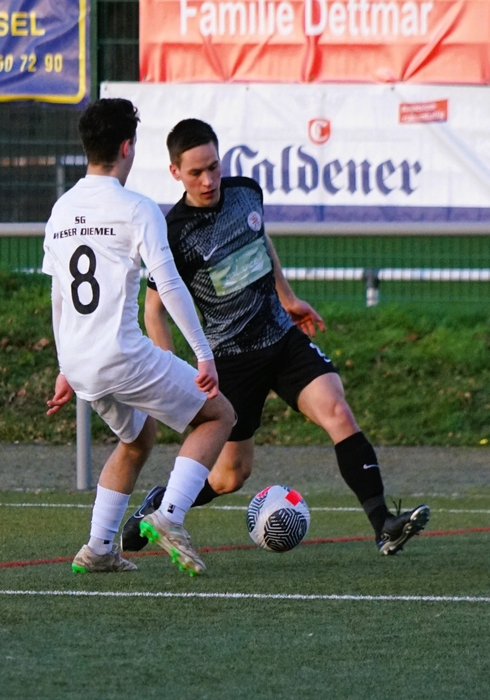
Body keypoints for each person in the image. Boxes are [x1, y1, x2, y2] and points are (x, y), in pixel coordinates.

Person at [122, 118, 429, 556]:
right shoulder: (175, 234)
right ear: (175, 172)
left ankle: (384, 524)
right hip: (231, 360)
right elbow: (153, 310)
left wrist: (287, 297)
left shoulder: (247, 192)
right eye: (196, 172)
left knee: (338, 411)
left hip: (282, 339)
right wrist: (173, 372)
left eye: (213, 166)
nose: (208, 180)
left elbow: (260, 239)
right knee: (230, 476)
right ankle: (159, 503)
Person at [44, 101, 235, 576]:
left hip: (82, 363)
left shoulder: (62, 208)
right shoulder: (137, 208)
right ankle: (170, 516)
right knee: (218, 415)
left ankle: (98, 548)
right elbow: (167, 283)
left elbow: (58, 296)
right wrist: (204, 354)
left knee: (137, 439)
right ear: (127, 147)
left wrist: (65, 366)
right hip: (122, 356)